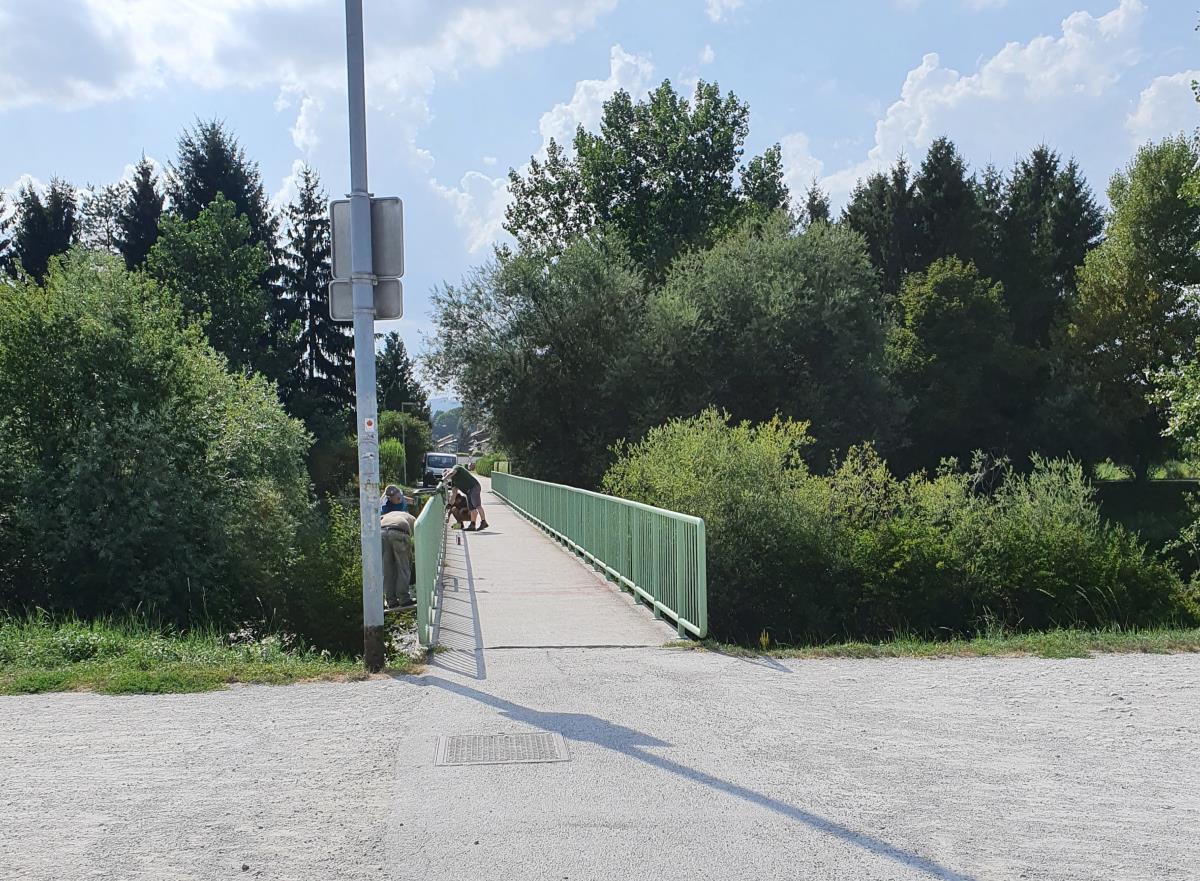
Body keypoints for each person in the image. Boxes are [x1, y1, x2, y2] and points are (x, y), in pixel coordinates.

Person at [380, 508, 416, 609]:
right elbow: (418, 533)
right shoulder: (412, 518)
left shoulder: (387, 514)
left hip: (381, 532)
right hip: (399, 532)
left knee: (387, 569)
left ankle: (391, 601)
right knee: (403, 567)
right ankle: (404, 599)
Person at [442, 464, 488, 531]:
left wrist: (443, 479)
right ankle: (472, 525)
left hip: (474, 487)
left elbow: (452, 472)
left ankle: (483, 522)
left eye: (447, 474)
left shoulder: (457, 468)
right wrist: (449, 504)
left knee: (477, 505)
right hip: (468, 492)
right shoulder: (453, 482)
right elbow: (454, 494)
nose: (448, 476)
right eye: (445, 475)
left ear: (449, 471)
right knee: (472, 508)